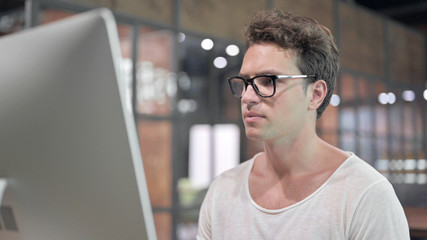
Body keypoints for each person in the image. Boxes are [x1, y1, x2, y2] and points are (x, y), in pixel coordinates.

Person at [196, 9, 409, 239]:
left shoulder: (365, 196)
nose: (248, 97)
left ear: (315, 94)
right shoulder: (223, 191)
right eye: (245, 82)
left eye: (268, 81)